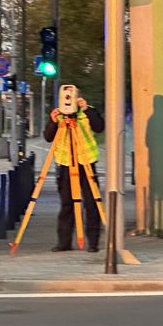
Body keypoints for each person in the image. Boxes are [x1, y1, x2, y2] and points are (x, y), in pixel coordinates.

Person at [44, 91, 104, 252]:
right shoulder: (59, 116)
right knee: (66, 205)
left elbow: (99, 127)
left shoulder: (87, 113)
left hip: (86, 163)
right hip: (65, 163)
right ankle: (64, 242)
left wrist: (87, 109)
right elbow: (48, 137)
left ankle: (93, 242)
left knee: (92, 204)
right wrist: (52, 121)